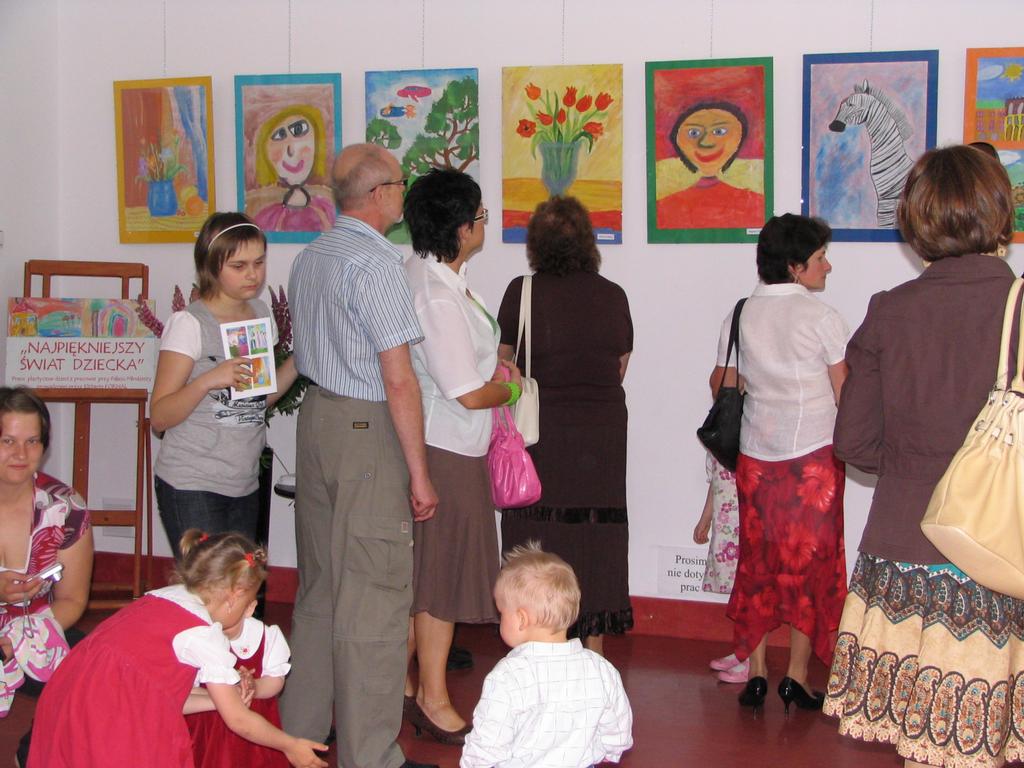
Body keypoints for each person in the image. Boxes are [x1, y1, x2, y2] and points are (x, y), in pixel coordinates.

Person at [824, 146, 1019, 768]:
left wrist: (916, 463)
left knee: (919, 741)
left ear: (915, 222)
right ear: (1001, 212)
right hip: (1003, 550)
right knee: (976, 739)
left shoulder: (891, 309)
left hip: (903, 546)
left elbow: (854, 443)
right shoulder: (1018, 307)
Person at [282, 142, 439, 768]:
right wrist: (420, 474)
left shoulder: (311, 257)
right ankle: (371, 755)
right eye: (399, 183)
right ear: (378, 195)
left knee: (321, 587)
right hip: (365, 427)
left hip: (317, 420)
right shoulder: (376, 263)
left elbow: (304, 354)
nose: (403, 193)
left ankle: (301, 737)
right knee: (374, 591)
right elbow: (398, 378)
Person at [29, 530, 327, 768]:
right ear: (235, 595)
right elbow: (238, 721)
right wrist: (289, 745)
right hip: (113, 714)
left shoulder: (162, 597)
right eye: (250, 603)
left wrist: (225, 697)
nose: (250, 612)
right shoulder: (202, 632)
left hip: (73, 690)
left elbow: (163, 692)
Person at [401, 169, 519, 745]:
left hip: (450, 443)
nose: (483, 225)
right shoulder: (435, 293)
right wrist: (513, 390)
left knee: (429, 579)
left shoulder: (441, 277)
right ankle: (433, 697)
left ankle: (400, 685)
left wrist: (494, 373)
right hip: (446, 446)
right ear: (461, 228)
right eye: (480, 216)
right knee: (441, 583)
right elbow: (466, 392)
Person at [718, 213, 849, 712]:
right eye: (820, 257)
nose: (827, 266)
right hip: (813, 459)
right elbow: (844, 393)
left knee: (759, 564)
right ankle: (795, 676)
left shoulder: (742, 313)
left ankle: (756, 674)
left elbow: (725, 383)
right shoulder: (822, 317)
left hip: (756, 458)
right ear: (795, 266)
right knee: (810, 569)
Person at [496, 196, 633, 657]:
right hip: (602, 432)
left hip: (542, 433)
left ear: (536, 244)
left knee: (539, 533)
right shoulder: (613, 295)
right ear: (588, 242)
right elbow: (620, 366)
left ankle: (535, 636)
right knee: (597, 536)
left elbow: (505, 366)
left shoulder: (522, 292)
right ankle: (594, 647)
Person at [151, 211, 298, 560]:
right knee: (209, 586)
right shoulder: (189, 323)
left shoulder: (260, 313)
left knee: (237, 586)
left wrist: (300, 359)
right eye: (239, 265)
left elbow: (257, 399)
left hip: (244, 481)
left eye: (259, 262)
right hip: (192, 482)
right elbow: (159, 417)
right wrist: (208, 380)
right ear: (211, 266)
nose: (253, 274)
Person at [460, 542, 633, 768]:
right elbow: (618, 732)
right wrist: (604, 751)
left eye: (502, 613)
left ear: (521, 619)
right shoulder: (600, 669)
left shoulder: (508, 676)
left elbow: (487, 745)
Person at [0, 386, 93, 766]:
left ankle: (30, 754)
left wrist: (18, 640)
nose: (21, 454)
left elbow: (72, 599)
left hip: (37, 626)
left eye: (32, 441)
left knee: (96, 674)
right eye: (7, 441)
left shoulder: (64, 506)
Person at [187, 610, 292, 767]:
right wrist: (225, 694)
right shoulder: (199, 637)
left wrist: (253, 687)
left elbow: (276, 680)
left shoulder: (267, 636)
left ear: (249, 608)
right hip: (210, 728)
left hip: (256, 726)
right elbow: (188, 690)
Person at [656, 101, 764, 230]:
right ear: (676, 139)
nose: (705, 142)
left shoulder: (757, 204)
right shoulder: (662, 207)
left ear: (740, 138)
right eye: (693, 133)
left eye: (719, 131)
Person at [251, 105, 335, 234]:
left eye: (299, 129)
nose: (291, 149)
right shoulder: (266, 219)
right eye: (279, 135)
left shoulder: (328, 210)